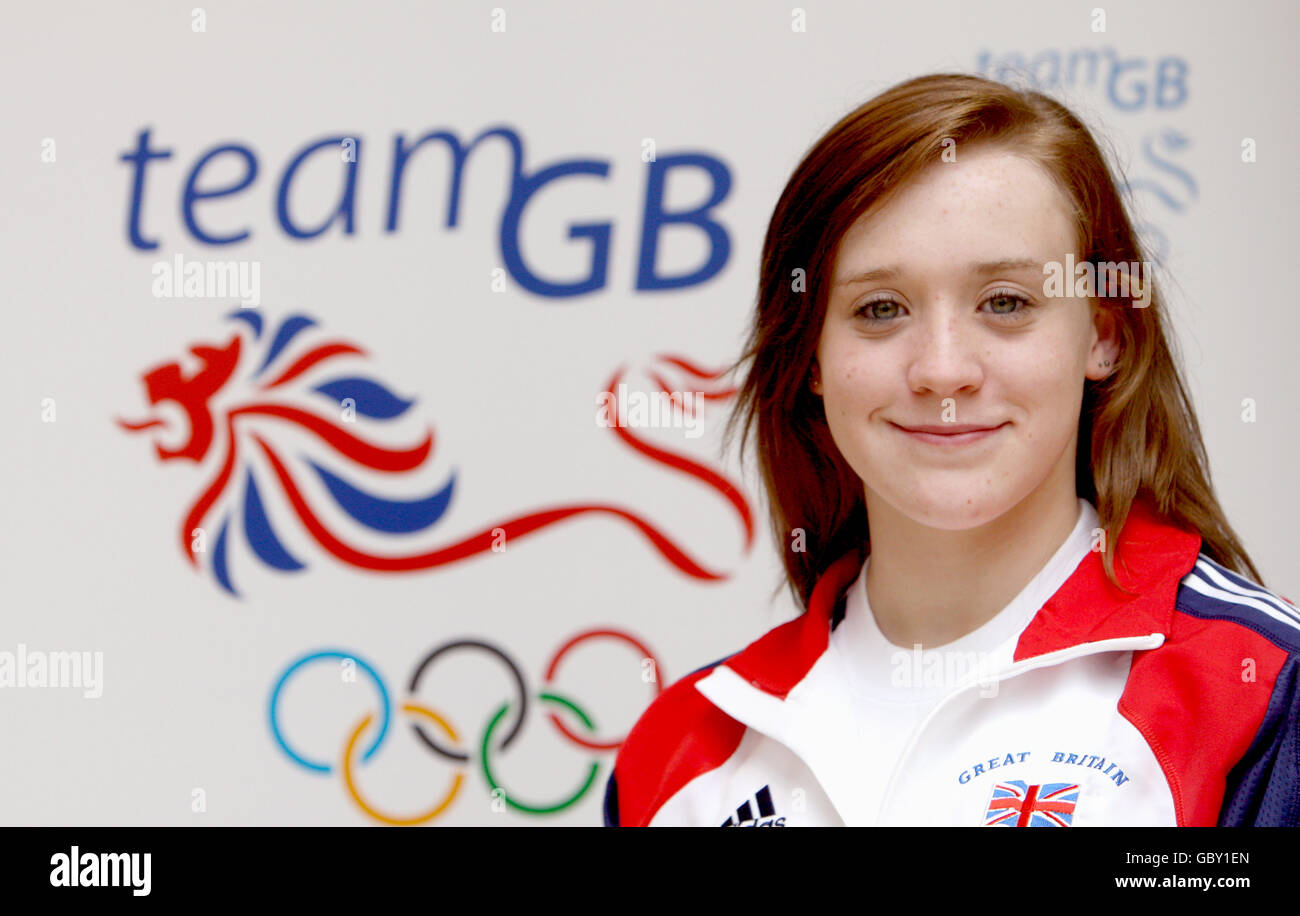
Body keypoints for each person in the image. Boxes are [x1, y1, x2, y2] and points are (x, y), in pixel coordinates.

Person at [602, 73, 1299, 827]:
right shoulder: (679, 752)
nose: (941, 370)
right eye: (880, 309)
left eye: (1005, 303)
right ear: (809, 357)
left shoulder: (1255, 691)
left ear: (1104, 334)